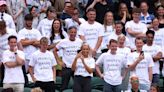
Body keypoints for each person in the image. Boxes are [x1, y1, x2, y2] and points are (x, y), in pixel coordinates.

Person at [54, 26, 83, 91]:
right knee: (64, 86)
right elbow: (54, 50)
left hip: (77, 67)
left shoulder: (80, 41)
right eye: (71, 32)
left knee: (78, 86)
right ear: (68, 33)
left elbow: (83, 52)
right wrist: (59, 62)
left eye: (74, 32)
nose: (73, 34)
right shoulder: (63, 41)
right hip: (66, 67)